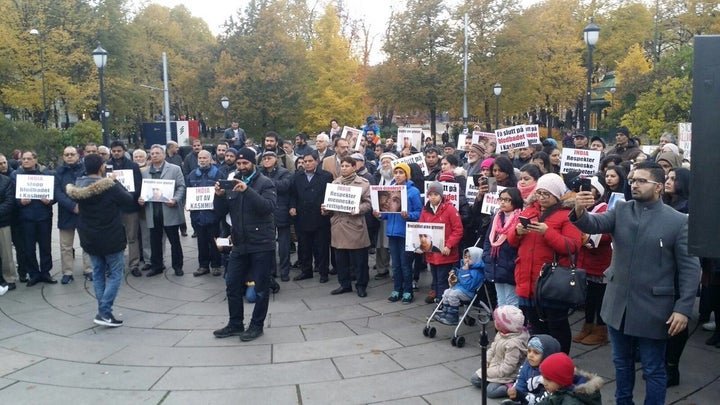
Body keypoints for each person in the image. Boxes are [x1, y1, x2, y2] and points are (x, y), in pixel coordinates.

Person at [571, 161, 701, 404]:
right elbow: (593, 224)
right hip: (617, 305)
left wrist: (683, 309)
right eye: (632, 180)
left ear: (659, 186)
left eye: (641, 180)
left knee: (653, 368)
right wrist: (579, 211)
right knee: (621, 365)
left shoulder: (679, 221)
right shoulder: (621, 209)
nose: (634, 184)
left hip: (654, 309)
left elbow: (690, 270)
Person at [508, 173, 582, 354]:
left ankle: (559, 363)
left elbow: (572, 246)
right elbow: (511, 241)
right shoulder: (529, 211)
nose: (541, 198)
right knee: (534, 327)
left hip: (552, 283)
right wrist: (517, 232)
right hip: (527, 279)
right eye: (539, 193)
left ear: (556, 195)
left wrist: (547, 233)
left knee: (557, 327)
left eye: (546, 194)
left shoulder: (567, 215)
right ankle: (538, 364)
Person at [213, 147, 277, 342]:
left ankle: (256, 325)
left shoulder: (265, 183)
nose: (241, 167)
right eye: (239, 164)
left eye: (245, 163)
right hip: (240, 243)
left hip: (261, 243)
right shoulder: (232, 183)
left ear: (253, 163)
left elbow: (267, 207)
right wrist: (219, 195)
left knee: (260, 288)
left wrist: (247, 190)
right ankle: (235, 323)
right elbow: (220, 213)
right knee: (232, 284)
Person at [66, 153, 135, 327]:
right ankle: (104, 311)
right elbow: (128, 201)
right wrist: (115, 181)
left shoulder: (77, 187)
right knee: (116, 274)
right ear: (101, 168)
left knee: (98, 273)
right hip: (110, 236)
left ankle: (103, 311)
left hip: (89, 236)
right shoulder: (110, 186)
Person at [322, 156, 372, 297]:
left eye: (347, 166)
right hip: (338, 225)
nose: (344, 168)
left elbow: (368, 204)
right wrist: (326, 208)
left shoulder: (363, 183)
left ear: (354, 167)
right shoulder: (335, 183)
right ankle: (344, 284)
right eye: (342, 166)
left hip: (355, 225)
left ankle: (361, 285)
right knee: (340, 259)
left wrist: (359, 209)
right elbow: (330, 203)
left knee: (359, 260)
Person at [572, 176, 612, 347]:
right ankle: (587, 325)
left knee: (600, 297)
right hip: (586, 260)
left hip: (600, 261)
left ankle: (601, 329)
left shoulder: (605, 208)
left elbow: (607, 233)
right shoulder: (586, 207)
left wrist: (588, 238)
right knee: (589, 297)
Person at [374, 162, 422, 304]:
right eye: (396, 172)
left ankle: (408, 291)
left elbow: (419, 213)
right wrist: (380, 214)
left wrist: (409, 216)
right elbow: (388, 212)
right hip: (392, 232)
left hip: (406, 233)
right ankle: (397, 289)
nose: (398, 175)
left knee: (405, 264)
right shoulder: (390, 190)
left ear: (407, 175)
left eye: (401, 172)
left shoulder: (413, 192)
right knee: (395, 264)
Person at [139, 145, 186, 277]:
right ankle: (157, 266)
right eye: (152, 153)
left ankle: (178, 266)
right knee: (155, 241)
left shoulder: (175, 169)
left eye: (157, 153)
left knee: (174, 241)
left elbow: (181, 187)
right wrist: (141, 199)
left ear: (164, 155)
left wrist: (175, 199)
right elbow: (143, 191)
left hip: (169, 210)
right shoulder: (145, 172)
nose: (154, 155)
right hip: (153, 211)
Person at [12, 150, 57, 286]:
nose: (25, 161)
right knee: (29, 248)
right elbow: (11, 196)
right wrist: (20, 202)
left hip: (43, 216)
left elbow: (55, 193)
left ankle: (45, 272)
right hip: (26, 217)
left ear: (35, 160)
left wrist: (50, 200)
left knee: (45, 246)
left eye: (28, 158)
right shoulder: (16, 175)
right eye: (23, 159)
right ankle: (33, 273)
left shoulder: (46, 174)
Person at [289, 151, 333, 282]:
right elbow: (293, 194)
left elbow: (330, 194)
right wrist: (292, 206)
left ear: (316, 161)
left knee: (322, 247)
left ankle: (323, 272)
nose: (307, 164)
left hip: (320, 216)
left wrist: (327, 208)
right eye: (305, 162)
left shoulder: (326, 176)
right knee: (304, 246)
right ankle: (306, 270)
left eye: (310, 161)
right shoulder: (297, 176)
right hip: (302, 216)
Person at [418, 181, 464, 305]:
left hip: (445, 252)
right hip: (432, 252)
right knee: (435, 277)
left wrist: (449, 245)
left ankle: (442, 302)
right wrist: (419, 245)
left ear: (441, 195)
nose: (433, 197)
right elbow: (421, 229)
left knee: (443, 279)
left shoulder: (450, 209)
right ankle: (439, 299)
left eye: (436, 194)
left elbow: (458, 230)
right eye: (430, 194)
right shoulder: (425, 210)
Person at [471, 305, 528, 399]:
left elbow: (507, 368)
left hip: (508, 375)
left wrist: (488, 372)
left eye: (497, 321)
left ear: (506, 325)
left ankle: (510, 388)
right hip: (495, 367)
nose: (495, 322)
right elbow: (492, 348)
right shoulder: (502, 334)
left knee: (490, 391)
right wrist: (486, 361)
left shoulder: (513, 344)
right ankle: (491, 380)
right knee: (474, 379)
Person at [55, 146, 92, 284]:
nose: (69, 156)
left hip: (84, 211)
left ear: (78, 156)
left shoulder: (85, 170)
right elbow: (57, 192)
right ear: (63, 156)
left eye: (72, 154)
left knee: (87, 242)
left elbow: (89, 187)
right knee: (66, 246)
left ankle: (89, 269)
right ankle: (67, 272)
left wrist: (80, 205)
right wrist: (72, 206)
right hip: (66, 212)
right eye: (66, 154)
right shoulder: (58, 172)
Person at [107, 141, 144, 277]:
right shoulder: (106, 166)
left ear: (124, 151)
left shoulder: (133, 166)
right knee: (115, 239)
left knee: (132, 237)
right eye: (114, 151)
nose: (116, 153)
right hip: (113, 209)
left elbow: (138, 185)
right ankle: (116, 266)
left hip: (130, 207)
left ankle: (134, 264)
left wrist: (127, 196)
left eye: (119, 151)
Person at [483, 187, 522, 307]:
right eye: (501, 199)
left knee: (511, 303)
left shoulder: (520, 218)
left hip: (510, 265)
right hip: (496, 263)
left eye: (507, 200)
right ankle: (501, 325)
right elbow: (488, 239)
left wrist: (512, 262)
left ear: (515, 201)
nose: (503, 202)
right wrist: (487, 255)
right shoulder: (497, 217)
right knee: (501, 301)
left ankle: (510, 326)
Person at [187, 150, 223, 277]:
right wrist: (188, 203)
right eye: (200, 158)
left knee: (214, 240)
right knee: (201, 241)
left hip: (213, 214)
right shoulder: (192, 175)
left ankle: (216, 265)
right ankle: (203, 266)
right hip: (197, 215)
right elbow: (188, 192)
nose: (202, 160)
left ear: (210, 159)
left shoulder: (218, 173)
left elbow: (222, 193)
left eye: (204, 158)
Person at [259, 151, 292, 281]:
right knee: (268, 244)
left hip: (281, 210)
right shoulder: (259, 172)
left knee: (284, 245)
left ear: (275, 160)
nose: (266, 160)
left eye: (269, 158)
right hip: (265, 211)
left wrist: (266, 182)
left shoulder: (283, 172)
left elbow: (285, 186)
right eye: (264, 158)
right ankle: (271, 271)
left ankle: (284, 271)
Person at [502, 334, 562, 405]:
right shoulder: (527, 365)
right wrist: (516, 393)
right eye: (529, 351)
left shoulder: (550, 375)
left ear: (547, 355)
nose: (530, 355)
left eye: (536, 352)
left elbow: (544, 399)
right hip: (528, 397)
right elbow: (520, 383)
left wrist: (522, 396)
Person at [434, 247, 484, 324]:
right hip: (460, 289)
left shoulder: (477, 272)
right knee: (446, 292)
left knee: (453, 294)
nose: (467, 260)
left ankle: (453, 315)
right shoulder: (465, 267)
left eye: (470, 258)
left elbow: (469, 286)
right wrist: (455, 272)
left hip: (468, 293)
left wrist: (465, 272)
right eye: (465, 257)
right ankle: (445, 312)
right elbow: (460, 275)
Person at [536, 352, 604, 404]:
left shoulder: (571, 401)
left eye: (548, 380)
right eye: (544, 378)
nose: (544, 383)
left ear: (561, 381)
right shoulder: (560, 390)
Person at [0, 171, 16, 292]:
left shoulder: (6, 181)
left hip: (3, 222)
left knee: (6, 253)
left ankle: (9, 278)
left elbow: (9, 202)